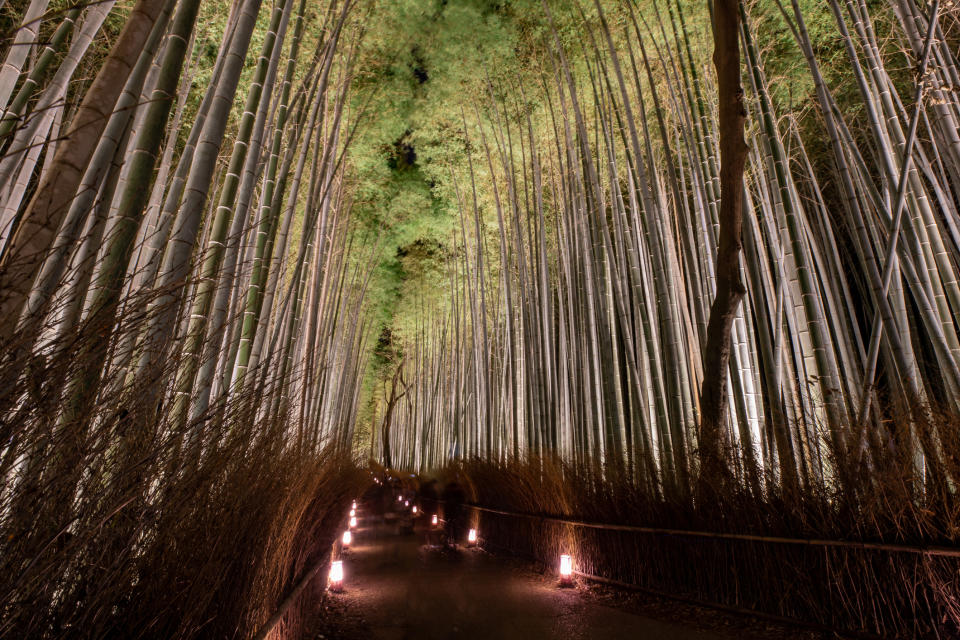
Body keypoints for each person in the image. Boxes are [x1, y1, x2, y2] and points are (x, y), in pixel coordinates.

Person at [441, 479, 466, 547]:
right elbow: (462, 501)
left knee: (448, 526)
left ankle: (447, 540)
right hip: (455, 512)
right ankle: (455, 541)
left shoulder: (447, 492)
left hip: (449, 511)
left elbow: (443, 497)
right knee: (455, 527)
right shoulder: (459, 492)